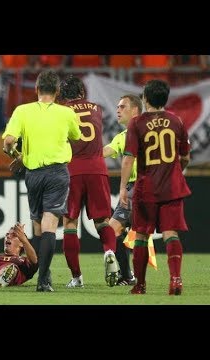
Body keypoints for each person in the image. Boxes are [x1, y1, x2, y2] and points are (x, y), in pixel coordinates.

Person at [2, 70, 81, 292]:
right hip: (57, 173)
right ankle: (43, 280)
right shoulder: (67, 113)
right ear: (57, 92)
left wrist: (15, 155)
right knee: (49, 226)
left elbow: (8, 141)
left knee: (38, 226)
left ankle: (42, 275)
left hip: (33, 174)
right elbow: (75, 136)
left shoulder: (22, 111)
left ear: (36, 89)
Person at [120, 79, 191, 295]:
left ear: (145, 98)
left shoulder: (137, 123)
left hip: (146, 188)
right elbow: (185, 157)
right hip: (172, 188)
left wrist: (123, 187)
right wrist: (176, 169)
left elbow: (128, 159)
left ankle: (140, 285)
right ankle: (176, 280)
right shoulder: (177, 121)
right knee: (171, 234)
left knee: (141, 235)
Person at [58, 76, 118, 288]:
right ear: (82, 93)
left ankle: (77, 277)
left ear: (63, 95)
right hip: (98, 169)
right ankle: (109, 252)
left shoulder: (61, 112)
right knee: (102, 221)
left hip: (72, 170)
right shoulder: (97, 108)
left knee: (69, 223)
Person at [103, 94, 143, 285]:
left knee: (117, 231)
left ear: (135, 109)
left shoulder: (145, 132)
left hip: (142, 187)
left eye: (122, 106)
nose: (117, 110)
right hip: (134, 188)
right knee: (114, 231)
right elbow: (104, 152)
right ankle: (128, 276)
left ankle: (130, 276)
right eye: (117, 107)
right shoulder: (122, 137)